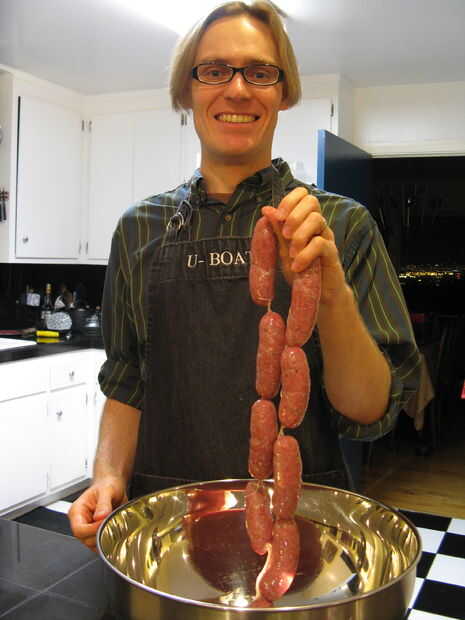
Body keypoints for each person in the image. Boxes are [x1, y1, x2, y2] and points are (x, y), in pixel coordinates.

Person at [69, 0, 421, 552]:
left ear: (284, 92)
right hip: (167, 523)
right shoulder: (138, 229)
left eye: (259, 72)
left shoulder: (340, 224)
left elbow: (370, 409)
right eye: (214, 70)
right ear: (187, 90)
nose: (237, 90)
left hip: (303, 523)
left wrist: (330, 291)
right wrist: (108, 476)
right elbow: (127, 379)